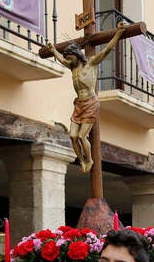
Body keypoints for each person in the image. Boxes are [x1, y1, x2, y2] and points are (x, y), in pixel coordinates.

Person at [46, 21, 127, 172]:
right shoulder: (72, 67)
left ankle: (89, 160)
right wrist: (52, 50)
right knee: (72, 136)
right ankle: (81, 159)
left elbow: (107, 50)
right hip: (79, 104)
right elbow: (62, 60)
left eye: (71, 58)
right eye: (68, 59)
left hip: (90, 103)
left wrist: (118, 33)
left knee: (83, 137)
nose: (68, 60)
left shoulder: (91, 63)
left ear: (77, 55)